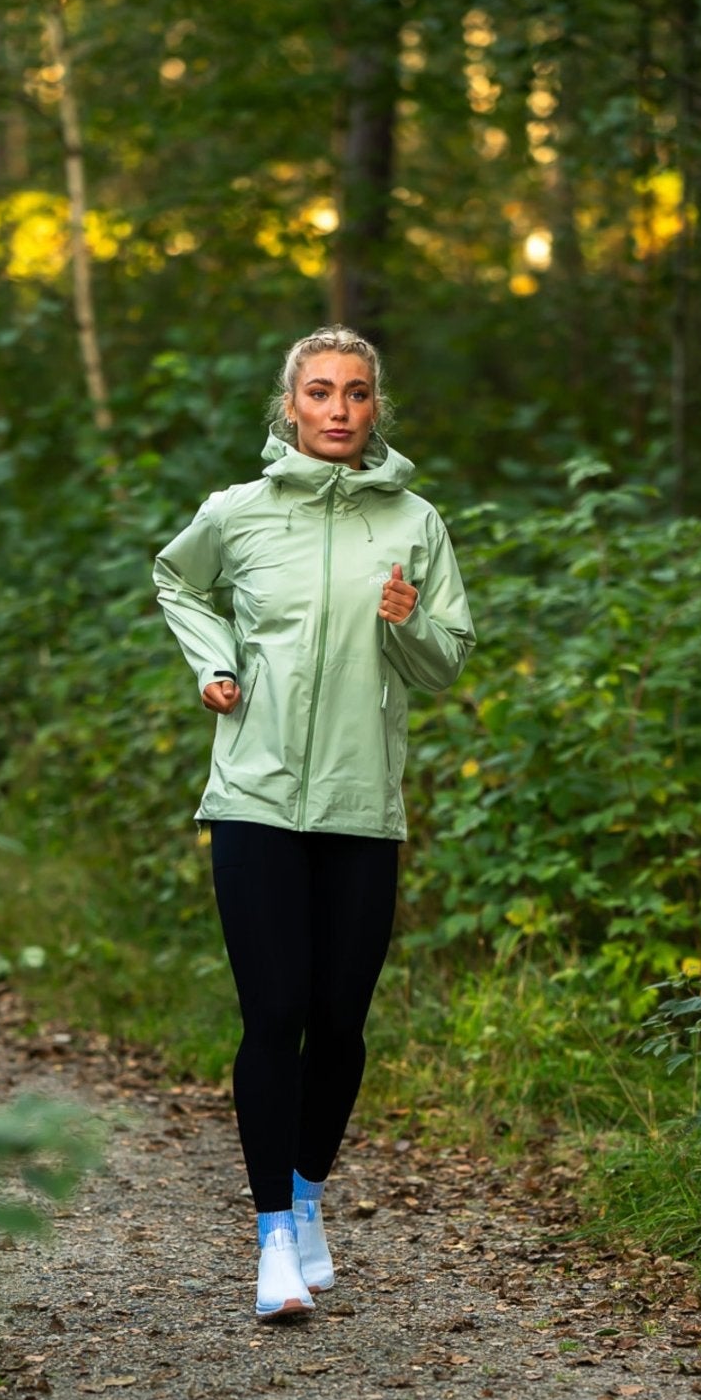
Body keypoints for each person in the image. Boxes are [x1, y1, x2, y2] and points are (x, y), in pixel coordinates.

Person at [154, 327, 475, 1321]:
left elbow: (446, 659)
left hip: (359, 804)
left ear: (377, 408)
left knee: (339, 1024)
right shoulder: (238, 512)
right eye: (322, 391)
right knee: (274, 1015)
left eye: (358, 392)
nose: (340, 409)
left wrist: (407, 621)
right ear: (290, 405)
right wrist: (214, 662)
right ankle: (272, 1243)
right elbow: (177, 579)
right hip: (254, 795)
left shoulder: (414, 521)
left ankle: (305, 1196)